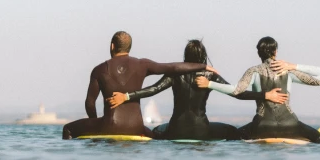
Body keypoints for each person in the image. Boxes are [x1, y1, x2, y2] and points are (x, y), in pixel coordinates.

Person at [104, 39, 289, 140]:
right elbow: (237, 93)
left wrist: (126, 96)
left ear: (186, 56)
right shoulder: (209, 75)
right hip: (202, 131)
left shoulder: (175, 74)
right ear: (203, 56)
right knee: (232, 131)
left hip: (175, 131)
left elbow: (153, 89)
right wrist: (265, 95)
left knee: (158, 129)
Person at [61, 31, 217, 139]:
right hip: (137, 128)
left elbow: (90, 103)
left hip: (108, 126)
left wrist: (94, 124)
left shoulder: (99, 69)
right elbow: (172, 67)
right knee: (154, 135)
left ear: (112, 46)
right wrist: (202, 66)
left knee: (67, 128)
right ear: (129, 47)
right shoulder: (142, 65)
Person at [196, 36, 320, 143]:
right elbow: (317, 81)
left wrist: (209, 84)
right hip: (291, 126)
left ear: (258, 53)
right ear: (275, 52)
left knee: (235, 136)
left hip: (262, 127)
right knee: (317, 137)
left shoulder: (253, 71)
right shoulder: (287, 71)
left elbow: (236, 90)